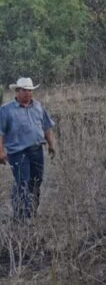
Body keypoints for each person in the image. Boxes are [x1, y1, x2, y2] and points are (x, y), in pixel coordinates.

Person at [0, 77, 57, 219]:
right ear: (17, 92)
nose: (28, 93)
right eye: (24, 90)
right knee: (22, 182)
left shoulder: (38, 106)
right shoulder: (6, 110)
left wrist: (51, 144)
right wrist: (0, 152)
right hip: (17, 152)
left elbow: (46, 127)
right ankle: (21, 216)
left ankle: (32, 212)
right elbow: (0, 132)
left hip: (36, 150)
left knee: (36, 182)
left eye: (30, 90)